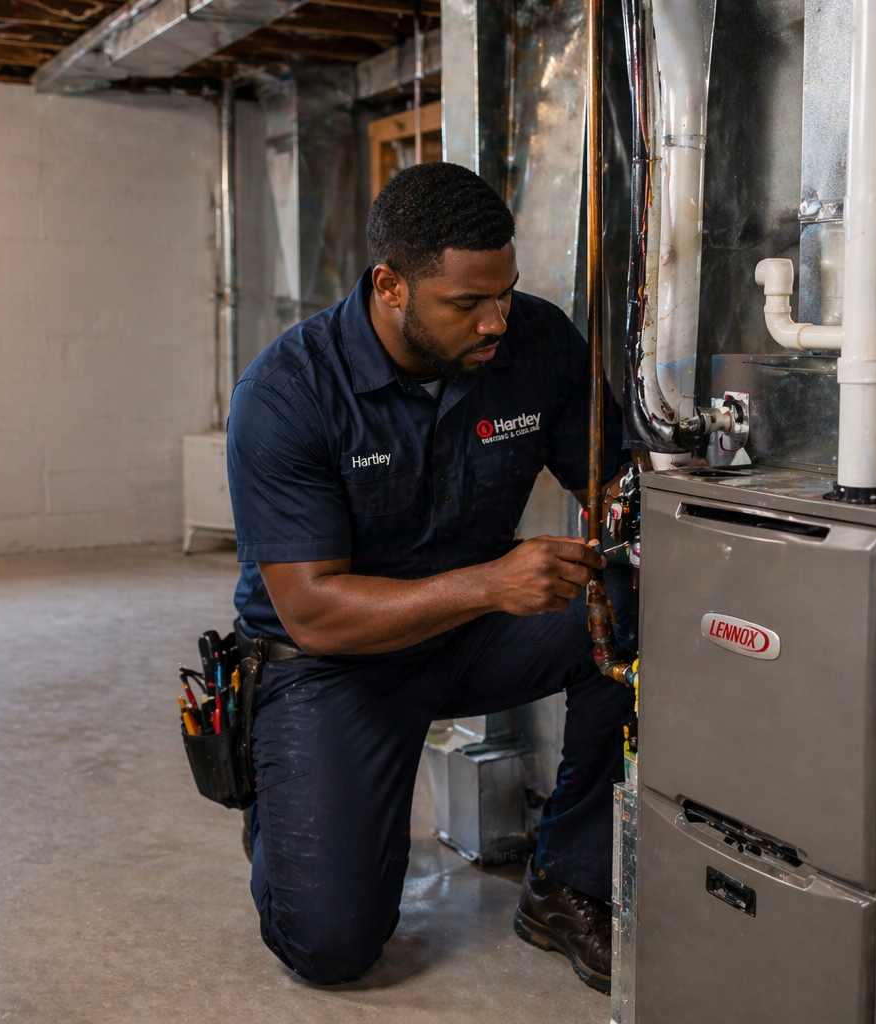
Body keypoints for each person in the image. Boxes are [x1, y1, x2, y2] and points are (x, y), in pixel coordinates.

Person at [225, 161, 636, 993]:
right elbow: (311, 613)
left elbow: (615, 489)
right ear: (391, 287)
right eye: (466, 304)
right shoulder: (288, 392)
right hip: (331, 667)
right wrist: (489, 585)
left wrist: (646, 524)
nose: (495, 322)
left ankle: (568, 881)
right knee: (331, 949)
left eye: (506, 294)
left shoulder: (536, 343)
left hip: (470, 638)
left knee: (639, 613)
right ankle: (289, 783)